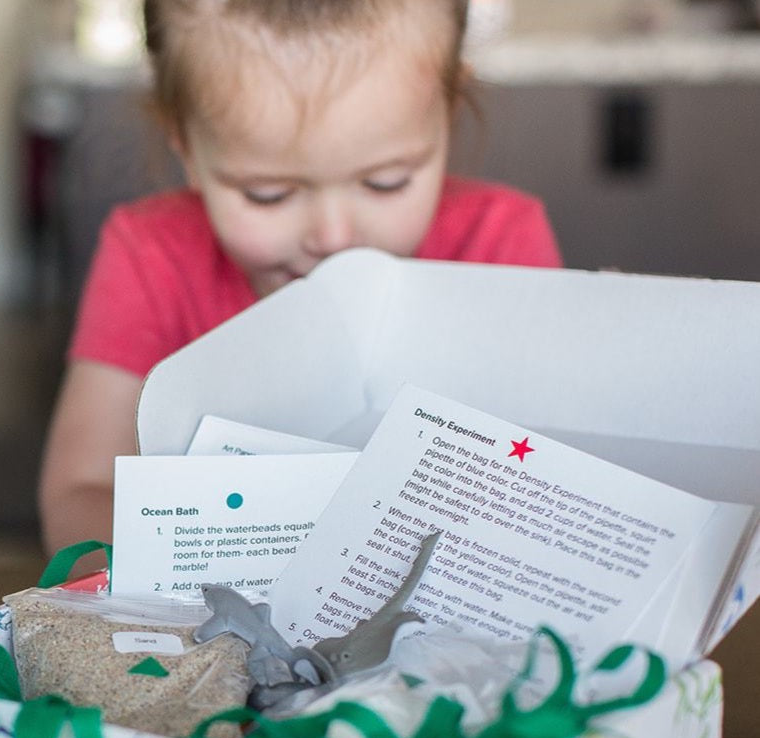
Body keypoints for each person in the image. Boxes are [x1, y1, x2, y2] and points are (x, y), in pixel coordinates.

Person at [38, 0, 561, 557]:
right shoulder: (151, 256)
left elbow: (554, 490)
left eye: (386, 182)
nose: (333, 238)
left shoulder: (500, 245)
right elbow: (79, 494)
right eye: (270, 194)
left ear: (447, 110)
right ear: (185, 144)